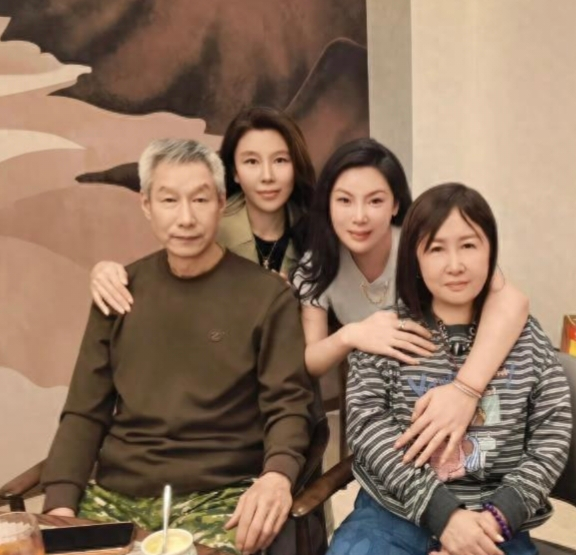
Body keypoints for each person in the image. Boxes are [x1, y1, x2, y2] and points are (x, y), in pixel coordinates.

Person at [41, 139, 314, 555]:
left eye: (200, 199)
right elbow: (84, 411)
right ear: (147, 205)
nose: (186, 218)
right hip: (116, 496)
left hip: (219, 496)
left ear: (220, 202)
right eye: (169, 200)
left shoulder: (266, 297)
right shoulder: (120, 291)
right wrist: (60, 506)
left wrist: (277, 476)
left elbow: (289, 405)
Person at [328, 183, 572, 555]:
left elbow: (552, 431)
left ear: (491, 252)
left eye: (469, 245)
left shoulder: (526, 337)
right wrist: (442, 514)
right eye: (436, 248)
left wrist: (497, 519)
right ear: (414, 259)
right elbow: (367, 428)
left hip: (494, 523)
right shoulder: (388, 333)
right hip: (392, 516)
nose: (455, 265)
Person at [292, 138, 529, 464]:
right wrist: (352, 334)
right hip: (381, 388)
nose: (359, 216)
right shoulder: (317, 264)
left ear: (395, 205)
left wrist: (465, 389)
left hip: (445, 371)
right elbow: (310, 360)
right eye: (344, 200)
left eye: (375, 200)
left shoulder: (422, 244)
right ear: (328, 204)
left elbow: (512, 301)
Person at [89, 106, 315, 316]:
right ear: (234, 172)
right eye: (251, 162)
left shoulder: (320, 230)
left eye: (280, 160)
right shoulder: (205, 225)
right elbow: (165, 281)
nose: (267, 176)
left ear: (296, 165)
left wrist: (298, 305)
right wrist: (104, 272)